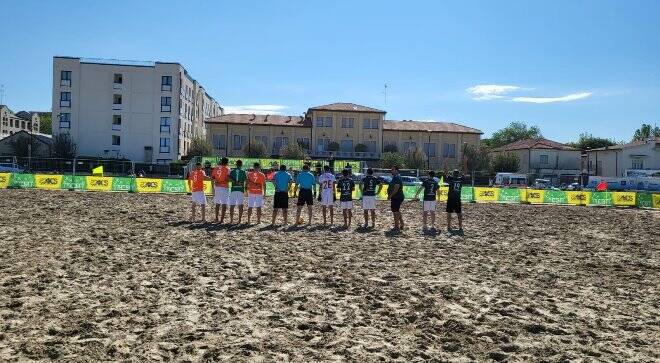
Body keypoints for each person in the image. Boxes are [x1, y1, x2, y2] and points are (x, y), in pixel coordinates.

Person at [444, 166, 464, 232]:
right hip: (457, 198)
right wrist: (465, 163)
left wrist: (445, 165)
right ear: (458, 174)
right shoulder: (461, 179)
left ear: (453, 174)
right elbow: (465, 172)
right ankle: (460, 227)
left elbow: (446, 173)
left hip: (451, 198)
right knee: (459, 213)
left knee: (449, 213)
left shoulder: (451, 179)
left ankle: (449, 226)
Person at [211, 157, 230, 223]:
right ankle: (222, 219)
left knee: (217, 203)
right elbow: (227, 179)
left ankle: (216, 218)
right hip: (224, 187)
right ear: (227, 162)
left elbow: (212, 178)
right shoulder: (227, 169)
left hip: (217, 187)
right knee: (224, 204)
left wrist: (216, 181)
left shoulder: (216, 168)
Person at [228, 160, 247, 224]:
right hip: (240, 190)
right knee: (240, 205)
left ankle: (231, 220)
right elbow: (245, 180)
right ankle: (239, 220)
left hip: (233, 189)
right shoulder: (243, 172)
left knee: (232, 205)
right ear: (241, 165)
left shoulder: (232, 171)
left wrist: (235, 181)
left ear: (236, 164)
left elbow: (229, 179)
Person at [387, 166, 405, 230]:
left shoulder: (397, 177)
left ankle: (396, 226)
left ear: (396, 170)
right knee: (396, 211)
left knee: (395, 212)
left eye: (392, 170)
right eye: (391, 169)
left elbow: (396, 188)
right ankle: (402, 223)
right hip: (396, 196)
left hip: (397, 197)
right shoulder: (395, 177)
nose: (391, 171)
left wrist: (390, 196)